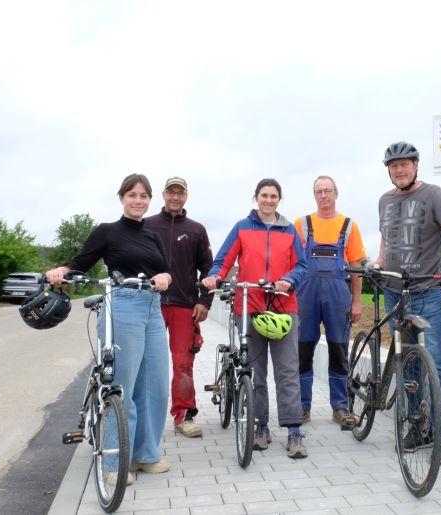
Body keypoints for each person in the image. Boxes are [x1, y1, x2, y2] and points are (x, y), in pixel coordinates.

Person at [46, 174, 173, 485]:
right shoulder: (107, 232)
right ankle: (114, 462)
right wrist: (62, 270)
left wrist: (166, 277)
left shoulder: (153, 236)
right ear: (122, 198)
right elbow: (81, 262)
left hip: (153, 308)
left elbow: (164, 269)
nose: (138, 200)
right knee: (123, 387)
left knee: (155, 386)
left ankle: (146, 455)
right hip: (123, 306)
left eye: (144, 195)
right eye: (132, 194)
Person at [375, 142, 441, 465]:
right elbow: (386, 235)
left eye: (405, 164)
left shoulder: (433, 195)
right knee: (409, 363)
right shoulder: (385, 200)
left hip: (427, 291)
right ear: (388, 170)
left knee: (435, 360)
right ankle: (418, 429)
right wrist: (378, 261)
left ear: (416, 166)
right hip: (394, 290)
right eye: (394, 166)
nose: (400, 170)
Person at [201, 178, 309, 458]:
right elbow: (224, 259)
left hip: (284, 307)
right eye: (264, 195)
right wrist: (216, 276)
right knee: (255, 373)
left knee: (287, 371)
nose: (269, 200)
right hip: (249, 306)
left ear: (279, 199)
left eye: (274, 196)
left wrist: (288, 280)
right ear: (256, 198)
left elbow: (302, 264)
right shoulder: (242, 227)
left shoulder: (289, 230)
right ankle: (260, 426)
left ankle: (294, 430)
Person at [144, 176, 214, 439]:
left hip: (184, 306)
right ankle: (142, 417)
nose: (175, 197)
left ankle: (183, 416)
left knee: (183, 364)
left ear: (186, 197)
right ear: (163, 195)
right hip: (149, 304)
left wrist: (204, 301)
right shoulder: (147, 225)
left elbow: (208, 269)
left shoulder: (197, 229)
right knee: (144, 364)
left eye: (180, 193)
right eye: (171, 192)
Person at [294, 176, 366, 425]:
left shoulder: (349, 225)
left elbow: (356, 268)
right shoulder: (301, 224)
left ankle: (340, 407)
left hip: (338, 296)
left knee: (339, 350)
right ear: (314, 195)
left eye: (327, 191)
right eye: (319, 192)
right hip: (306, 296)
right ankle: (302, 407)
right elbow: (291, 262)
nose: (323, 195)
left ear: (336, 193)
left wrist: (356, 302)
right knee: (303, 351)